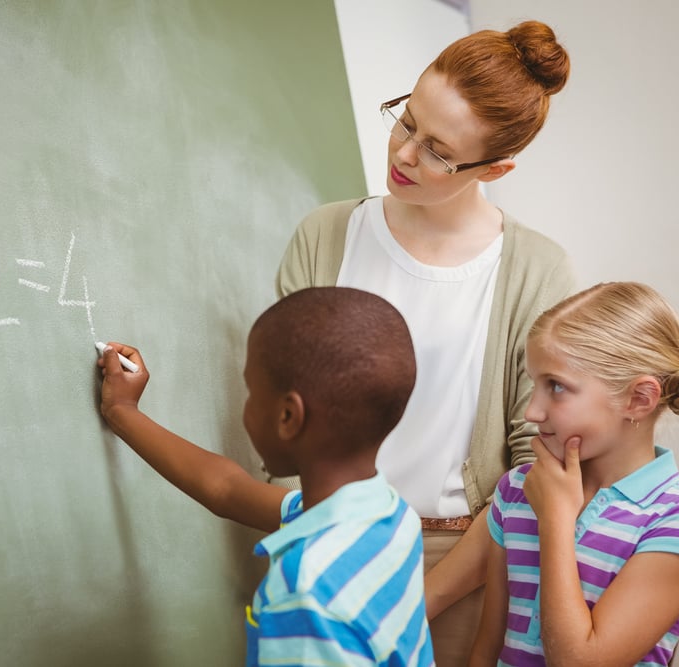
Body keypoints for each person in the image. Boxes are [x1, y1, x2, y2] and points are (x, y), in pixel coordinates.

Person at [274, 20, 574, 663]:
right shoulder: (326, 235)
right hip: (320, 549)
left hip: (460, 565)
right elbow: (283, 411)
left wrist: (426, 598)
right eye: (406, 122)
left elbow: (534, 467)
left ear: (497, 167)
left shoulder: (536, 270)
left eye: (439, 150)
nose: (404, 155)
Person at [97, 287, 434, 667]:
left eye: (251, 391)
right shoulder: (389, 515)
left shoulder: (303, 592)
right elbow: (226, 489)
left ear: (288, 417)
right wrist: (123, 411)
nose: (246, 404)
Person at [469, 281, 679, 666]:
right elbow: (487, 648)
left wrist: (555, 520)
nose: (533, 412)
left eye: (556, 386)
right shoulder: (519, 489)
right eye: (534, 384)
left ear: (638, 399)